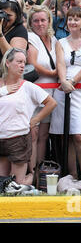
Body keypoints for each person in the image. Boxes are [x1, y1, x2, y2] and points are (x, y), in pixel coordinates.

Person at [0, 48, 56, 185]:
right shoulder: (1, 85)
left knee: (15, 184)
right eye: (19, 61)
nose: (22, 65)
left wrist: (35, 120)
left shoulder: (27, 86)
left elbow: (51, 103)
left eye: (24, 62)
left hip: (18, 139)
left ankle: (33, 179)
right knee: (2, 184)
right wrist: (3, 91)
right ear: (7, 63)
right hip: (1, 139)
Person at [49, 7, 81, 184]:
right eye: (70, 19)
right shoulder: (60, 42)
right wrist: (63, 80)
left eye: (77, 19)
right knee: (67, 135)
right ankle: (72, 175)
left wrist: (72, 81)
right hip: (63, 90)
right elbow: (60, 63)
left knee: (80, 135)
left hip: (80, 91)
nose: (73, 22)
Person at [26, 5, 60, 178]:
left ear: (49, 21)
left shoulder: (54, 40)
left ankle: (40, 172)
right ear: (31, 23)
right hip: (35, 93)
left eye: (43, 20)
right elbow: (33, 65)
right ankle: (30, 172)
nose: (40, 24)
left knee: (44, 135)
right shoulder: (31, 37)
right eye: (36, 21)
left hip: (51, 95)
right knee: (33, 133)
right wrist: (55, 73)